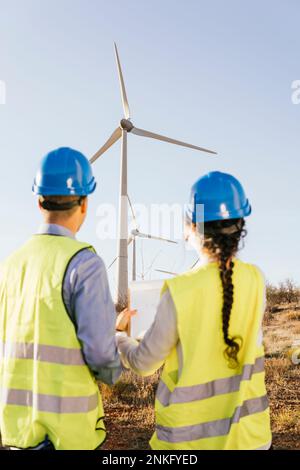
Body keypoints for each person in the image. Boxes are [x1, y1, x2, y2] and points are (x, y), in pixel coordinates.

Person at [116, 171, 272, 450]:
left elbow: (143, 363)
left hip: (189, 444)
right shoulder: (256, 280)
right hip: (252, 439)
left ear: (191, 226)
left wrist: (119, 336)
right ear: (240, 225)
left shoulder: (180, 290)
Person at [0, 147, 130, 450]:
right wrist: (117, 345)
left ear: (38, 200)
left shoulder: (8, 266)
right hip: (68, 437)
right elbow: (100, 357)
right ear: (84, 203)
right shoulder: (85, 264)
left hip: (14, 436)